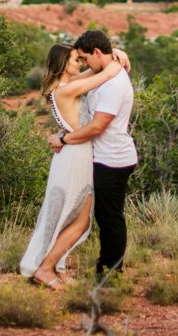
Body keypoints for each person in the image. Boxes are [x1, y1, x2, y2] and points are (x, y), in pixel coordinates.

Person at [19, 42, 126, 289]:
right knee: (81, 221)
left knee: (70, 217)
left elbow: (98, 71)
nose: (81, 63)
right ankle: (46, 269)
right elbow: (107, 72)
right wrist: (116, 56)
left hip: (73, 152)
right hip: (76, 155)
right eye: (76, 60)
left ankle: (56, 266)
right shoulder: (66, 90)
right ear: (63, 63)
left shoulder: (64, 86)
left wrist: (116, 54)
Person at [49, 29, 138, 280]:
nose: (84, 64)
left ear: (97, 53)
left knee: (110, 217)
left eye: (86, 58)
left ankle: (111, 271)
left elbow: (98, 126)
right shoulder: (103, 73)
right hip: (100, 156)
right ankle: (105, 266)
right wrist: (118, 54)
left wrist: (64, 139)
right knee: (102, 215)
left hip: (114, 159)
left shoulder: (114, 83)